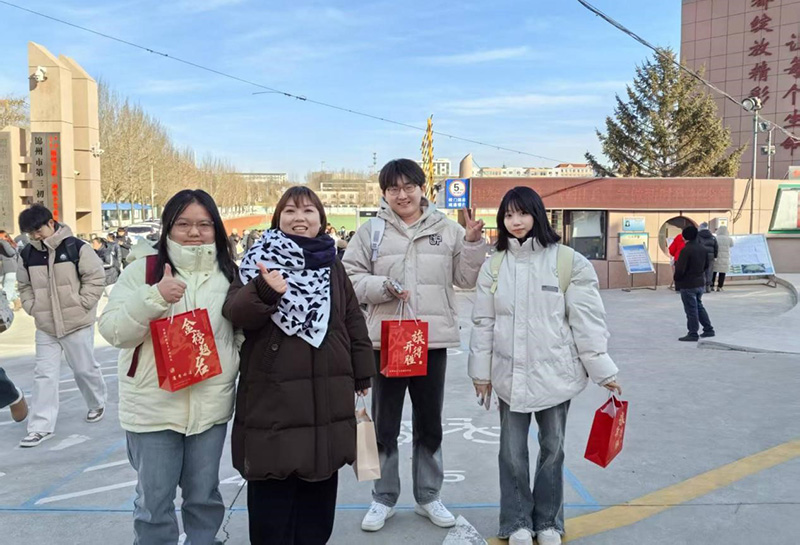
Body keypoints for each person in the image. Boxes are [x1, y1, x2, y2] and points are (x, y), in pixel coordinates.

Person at [468, 187, 621, 545]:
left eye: (522, 213)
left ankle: (549, 521)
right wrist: (481, 373)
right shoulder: (494, 265)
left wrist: (604, 370)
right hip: (509, 377)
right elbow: (483, 323)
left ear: (537, 214)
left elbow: (587, 321)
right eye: (508, 215)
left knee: (553, 449)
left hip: (556, 375)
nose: (516, 221)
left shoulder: (568, 261)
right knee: (511, 453)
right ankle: (516, 522)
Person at [224, 186, 375, 545]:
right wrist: (264, 289)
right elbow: (235, 313)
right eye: (290, 211)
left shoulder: (332, 265)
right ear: (278, 219)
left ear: (321, 220)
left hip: (327, 390)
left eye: (308, 211)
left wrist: (362, 369)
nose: (299, 218)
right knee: (272, 498)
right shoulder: (257, 260)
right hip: (273, 395)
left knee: (318, 498)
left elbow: (351, 319)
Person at [343, 158, 487, 532]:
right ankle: (383, 498)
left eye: (409, 186)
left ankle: (428, 496)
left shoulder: (448, 229)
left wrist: (473, 244)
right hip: (386, 341)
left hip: (431, 340)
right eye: (393, 188)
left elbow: (466, 279)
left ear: (423, 189)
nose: (402, 194)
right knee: (384, 425)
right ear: (384, 193)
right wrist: (381, 287)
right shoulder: (371, 231)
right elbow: (349, 277)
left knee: (430, 423)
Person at [98, 189, 242, 545]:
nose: (194, 232)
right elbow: (113, 330)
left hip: (210, 409)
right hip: (153, 410)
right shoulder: (142, 270)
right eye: (183, 224)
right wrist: (155, 297)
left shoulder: (229, 274)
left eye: (204, 224)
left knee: (204, 498)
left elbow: (239, 334)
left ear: (216, 228)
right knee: (154, 504)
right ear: (167, 228)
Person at [16, 204, 107, 447]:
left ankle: (97, 402)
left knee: (84, 369)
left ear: (51, 223)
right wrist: (32, 306)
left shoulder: (76, 247)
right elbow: (24, 286)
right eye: (30, 233)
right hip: (46, 326)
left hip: (77, 322)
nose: (35, 236)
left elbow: (96, 277)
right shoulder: (27, 254)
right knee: (44, 374)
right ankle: (40, 427)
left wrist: (83, 303)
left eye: (38, 230)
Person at [674, 225, 715, 342]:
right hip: (699, 282)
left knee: (691, 309)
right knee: (699, 306)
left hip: (688, 283)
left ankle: (693, 333)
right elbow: (707, 265)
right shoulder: (702, 249)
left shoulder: (686, 250)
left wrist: (677, 279)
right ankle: (708, 329)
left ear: (684, 236)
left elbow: (680, 269)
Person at [0, 230, 20, 310]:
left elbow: (11, 253)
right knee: (9, 287)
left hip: (11, 270)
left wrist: (3, 242)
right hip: (3, 270)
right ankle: (17, 301)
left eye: (2, 237)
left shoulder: (10, 244)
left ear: (7, 237)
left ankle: (3, 307)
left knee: (7, 289)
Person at [712, 225, 734, 292]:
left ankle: (712, 286)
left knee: (714, 272)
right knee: (722, 273)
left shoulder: (715, 238)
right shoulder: (729, 239)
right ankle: (720, 286)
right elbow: (732, 245)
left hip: (716, 257)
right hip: (725, 258)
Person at [698, 222, 718, 294]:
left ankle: (703, 286)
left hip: (701, 255)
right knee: (709, 271)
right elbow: (716, 247)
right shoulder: (712, 237)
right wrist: (715, 256)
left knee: (702, 271)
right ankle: (708, 286)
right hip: (711, 256)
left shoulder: (697, 236)